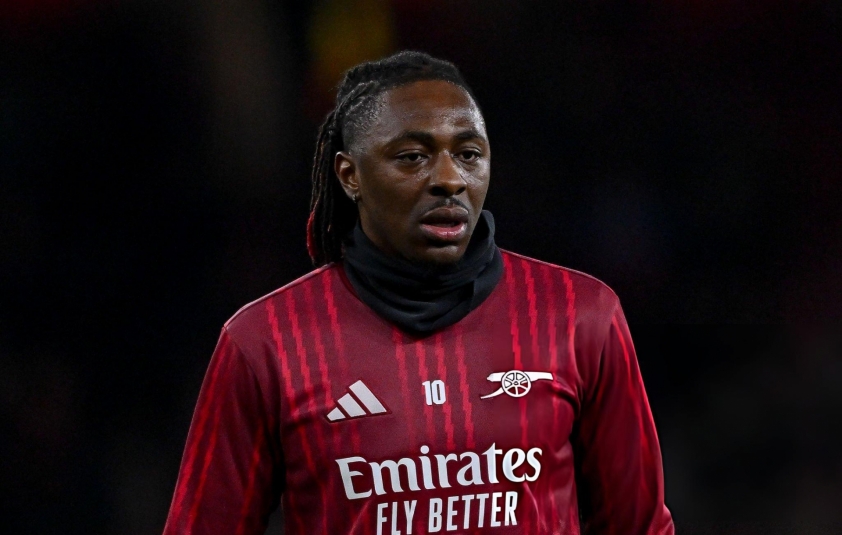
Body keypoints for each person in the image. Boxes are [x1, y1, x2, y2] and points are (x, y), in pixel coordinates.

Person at [163, 51, 675, 535]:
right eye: (412, 157)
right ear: (349, 175)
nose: (450, 179)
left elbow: (640, 525)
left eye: (469, 154)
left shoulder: (580, 314)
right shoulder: (265, 342)